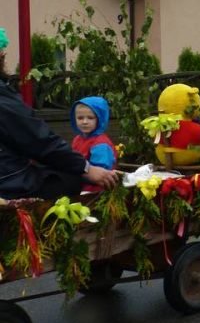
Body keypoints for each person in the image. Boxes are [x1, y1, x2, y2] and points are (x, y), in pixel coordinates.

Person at [0, 27, 117, 200]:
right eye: (2, 52)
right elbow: (39, 140)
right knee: (70, 179)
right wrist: (87, 169)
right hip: (9, 181)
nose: (3, 55)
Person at [71, 96, 117, 193]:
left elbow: (99, 174)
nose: (85, 122)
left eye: (90, 118)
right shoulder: (78, 139)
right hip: (78, 183)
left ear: (99, 119)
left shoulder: (101, 144)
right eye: (80, 118)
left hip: (94, 190)